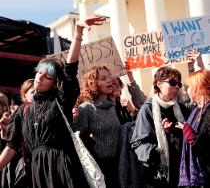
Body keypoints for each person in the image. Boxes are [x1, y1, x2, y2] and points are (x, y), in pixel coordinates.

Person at [0, 16, 106, 188]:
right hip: (37, 171)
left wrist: (78, 33)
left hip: (62, 166)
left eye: (47, 76)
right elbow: (11, 147)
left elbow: (70, 69)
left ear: (55, 84)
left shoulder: (60, 102)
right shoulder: (21, 111)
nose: (40, 77)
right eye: (39, 72)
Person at [130, 66, 189, 188]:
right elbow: (138, 144)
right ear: (159, 84)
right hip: (159, 175)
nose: (177, 87)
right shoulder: (147, 109)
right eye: (172, 83)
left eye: (179, 84)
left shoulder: (181, 108)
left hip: (182, 169)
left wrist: (172, 131)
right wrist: (156, 153)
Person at [74, 65, 121, 188]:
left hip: (117, 163)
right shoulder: (86, 108)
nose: (109, 80)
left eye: (109, 77)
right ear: (93, 83)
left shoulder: (112, 105)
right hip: (99, 167)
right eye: (103, 78)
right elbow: (79, 141)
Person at [175, 69, 210, 188]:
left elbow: (206, 147)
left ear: (198, 87)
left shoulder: (208, 111)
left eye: (188, 87)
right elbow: (190, 136)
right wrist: (174, 130)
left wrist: (190, 135)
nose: (186, 90)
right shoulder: (196, 110)